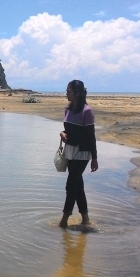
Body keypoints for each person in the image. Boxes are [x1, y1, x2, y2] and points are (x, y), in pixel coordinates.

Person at [58, 80, 98, 228]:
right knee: (77, 186)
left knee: (71, 185)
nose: (66, 93)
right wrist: (62, 134)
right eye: (67, 90)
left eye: (69, 91)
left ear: (78, 93)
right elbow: (67, 130)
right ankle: (86, 219)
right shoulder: (68, 110)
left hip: (82, 153)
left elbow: (90, 136)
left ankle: (64, 221)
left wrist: (94, 158)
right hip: (70, 151)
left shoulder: (86, 111)